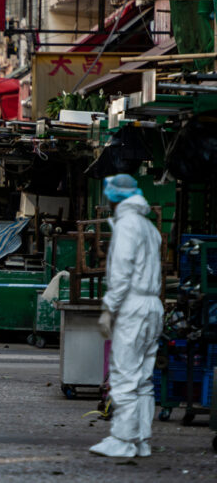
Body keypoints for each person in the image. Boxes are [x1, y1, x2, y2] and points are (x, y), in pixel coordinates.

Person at [90, 174, 163, 458]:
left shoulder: (127, 225)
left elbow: (121, 271)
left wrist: (110, 307)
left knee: (124, 375)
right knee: (144, 378)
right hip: (153, 306)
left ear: (115, 196)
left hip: (133, 306)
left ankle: (122, 440)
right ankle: (141, 440)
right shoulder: (148, 226)